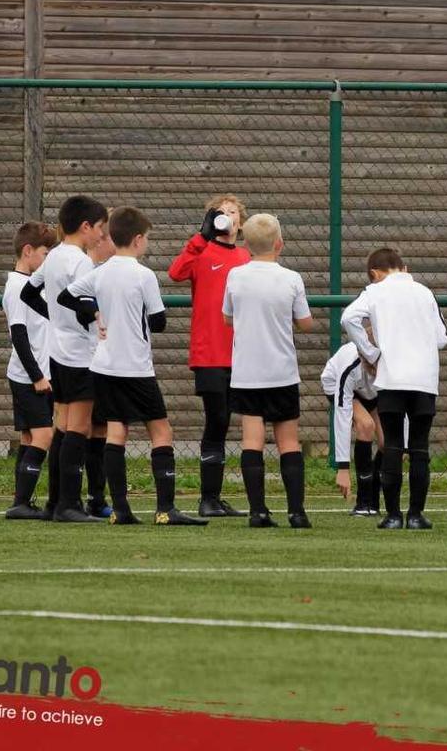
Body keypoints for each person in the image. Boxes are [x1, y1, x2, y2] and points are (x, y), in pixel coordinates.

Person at [61, 206, 207, 527]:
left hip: (104, 366)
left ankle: (121, 509)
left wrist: (95, 310)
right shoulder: (144, 275)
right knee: (161, 431)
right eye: (148, 238)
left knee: (116, 430)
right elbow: (158, 322)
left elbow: (66, 296)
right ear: (138, 239)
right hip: (137, 368)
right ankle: (166, 508)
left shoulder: (100, 271)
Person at [341, 249, 447, 530]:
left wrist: (371, 352)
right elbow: (441, 338)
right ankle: (416, 515)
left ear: (375, 274)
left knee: (392, 445)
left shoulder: (375, 292)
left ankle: (392, 515)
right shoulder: (425, 292)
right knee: (419, 447)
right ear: (404, 267)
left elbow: (348, 318)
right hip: (424, 379)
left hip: (391, 378)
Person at [221, 213, 314, 528]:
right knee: (289, 441)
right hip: (282, 371)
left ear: (246, 245)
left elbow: (227, 317)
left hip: (247, 372)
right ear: (279, 244)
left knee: (252, 441)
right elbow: (305, 323)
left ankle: (257, 511)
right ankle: (296, 512)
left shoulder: (236, 276)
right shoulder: (291, 278)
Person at [20, 195, 109, 523]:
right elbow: (82, 305)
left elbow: (29, 292)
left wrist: (55, 317)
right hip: (80, 354)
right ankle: (69, 505)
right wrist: (95, 317)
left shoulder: (54, 256)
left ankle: (54, 502)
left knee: (63, 425)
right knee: (80, 427)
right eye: (100, 228)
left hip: (57, 353)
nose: (102, 235)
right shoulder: (81, 262)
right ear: (86, 227)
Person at [168, 194, 251, 518]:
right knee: (216, 419)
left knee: (229, 422)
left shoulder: (246, 256)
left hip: (241, 353)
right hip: (210, 353)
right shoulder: (201, 251)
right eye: (220, 213)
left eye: (233, 213)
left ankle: (215, 498)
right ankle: (208, 497)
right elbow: (176, 272)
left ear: (240, 222)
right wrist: (200, 237)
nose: (227, 217)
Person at [2, 221, 58, 520]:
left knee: (28, 438)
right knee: (44, 436)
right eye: (46, 253)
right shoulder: (16, 287)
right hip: (29, 377)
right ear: (28, 251)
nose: (49, 261)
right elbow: (19, 336)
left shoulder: (35, 286)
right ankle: (20, 503)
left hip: (40, 374)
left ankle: (21, 500)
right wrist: (37, 376)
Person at [321, 339, 384, 516]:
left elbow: (402, 401)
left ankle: (374, 499)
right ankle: (363, 503)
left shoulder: (393, 360)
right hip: (338, 385)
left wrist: (404, 443)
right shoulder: (350, 366)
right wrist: (343, 468)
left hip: (372, 392)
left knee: (388, 444)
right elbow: (342, 415)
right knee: (366, 425)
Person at [84, 229, 117, 519]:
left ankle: (96, 496)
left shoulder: (112, 271)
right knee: (77, 427)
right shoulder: (86, 271)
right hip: (83, 361)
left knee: (101, 429)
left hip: (105, 360)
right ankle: (69, 497)